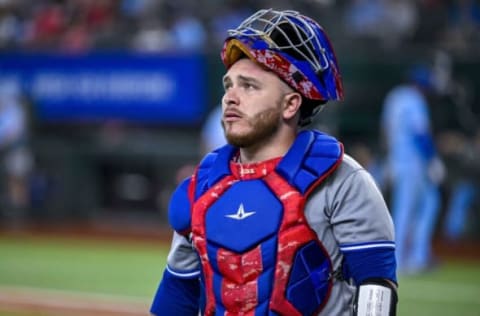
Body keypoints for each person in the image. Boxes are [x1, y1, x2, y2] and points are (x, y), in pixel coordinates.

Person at [151, 9, 397, 316]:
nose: (231, 97)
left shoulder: (342, 179)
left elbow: (377, 290)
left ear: (291, 104)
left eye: (249, 86)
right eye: (229, 85)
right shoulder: (202, 186)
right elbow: (177, 295)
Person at [380, 64, 445, 275]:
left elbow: (387, 131)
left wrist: (389, 158)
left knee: (409, 207)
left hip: (397, 160)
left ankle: (414, 255)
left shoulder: (394, 96)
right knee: (415, 207)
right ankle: (412, 257)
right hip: (415, 163)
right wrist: (433, 160)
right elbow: (420, 134)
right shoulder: (415, 100)